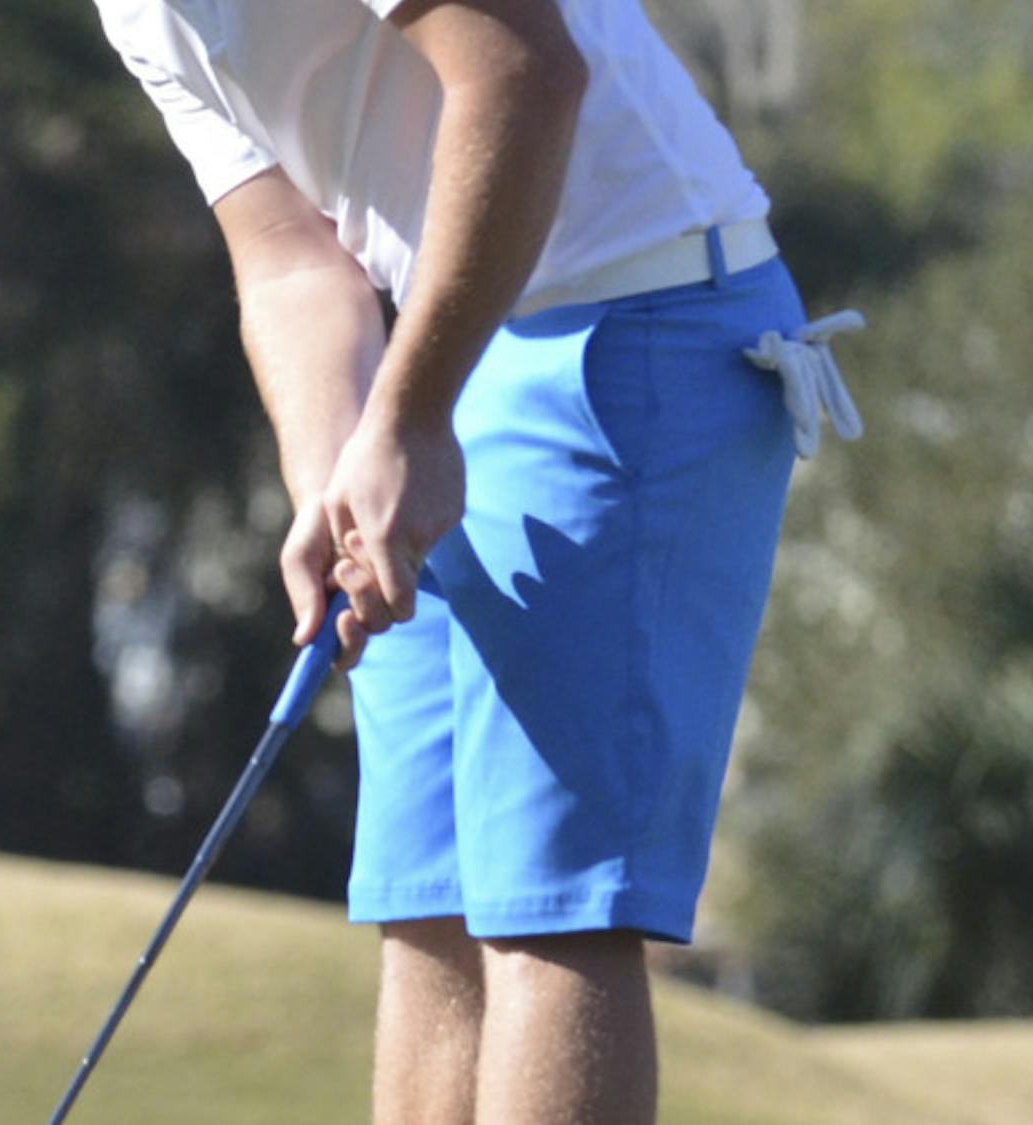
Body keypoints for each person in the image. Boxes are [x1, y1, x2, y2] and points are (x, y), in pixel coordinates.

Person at [92, 1, 861, 1121]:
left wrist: (406, 419)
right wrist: (333, 483)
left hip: (637, 311)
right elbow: (290, 259)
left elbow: (522, 72)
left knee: (552, 909)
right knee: (432, 908)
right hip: (446, 349)